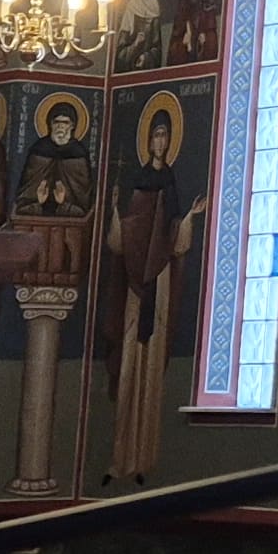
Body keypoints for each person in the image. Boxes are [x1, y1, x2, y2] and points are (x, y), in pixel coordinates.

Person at [101, 97, 195, 484]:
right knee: (129, 369)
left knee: (152, 372)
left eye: (164, 136)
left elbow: (175, 240)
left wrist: (188, 220)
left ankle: (143, 460)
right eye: (155, 135)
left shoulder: (170, 184)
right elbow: (120, 241)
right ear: (148, 142)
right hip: (134, 286)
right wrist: (116, 214)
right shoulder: (137, 182)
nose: (159, 142)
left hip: (160, 284)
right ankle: (119, 459)